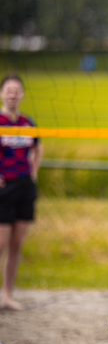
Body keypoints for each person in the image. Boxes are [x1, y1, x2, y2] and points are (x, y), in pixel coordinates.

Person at [0, 74, 42, 310]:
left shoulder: (28, 123)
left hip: (25, 187)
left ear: (22, 94)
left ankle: (7, 295)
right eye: (9, 90)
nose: (13, 94)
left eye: (16, 90)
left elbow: (38, 147)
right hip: (4, 188)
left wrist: (34, 170)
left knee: (16, 244)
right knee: (1, 243)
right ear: (2, 94)